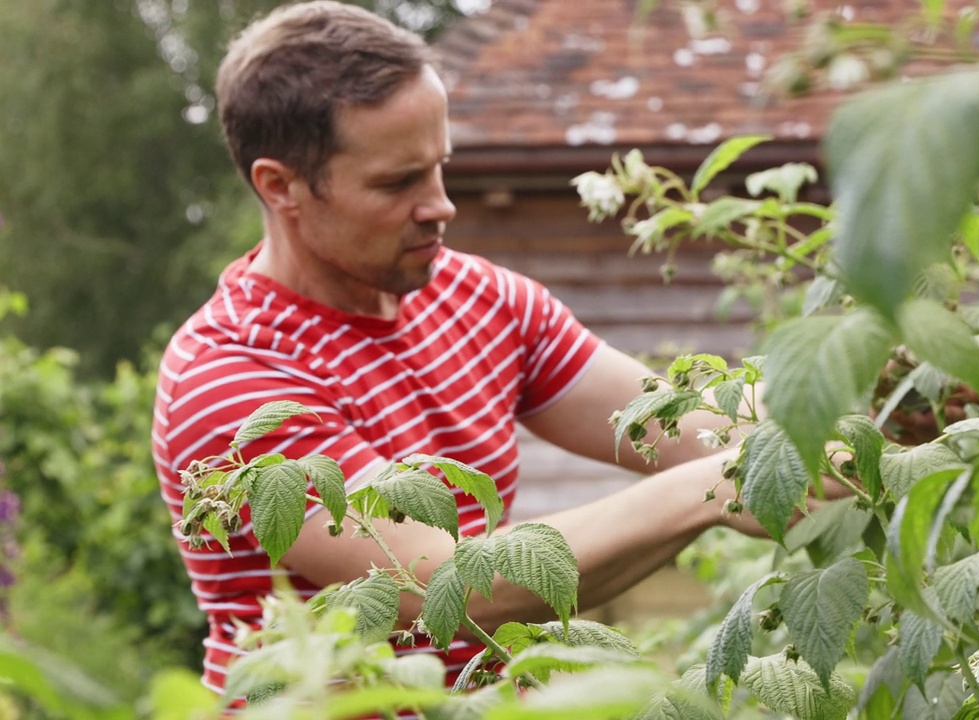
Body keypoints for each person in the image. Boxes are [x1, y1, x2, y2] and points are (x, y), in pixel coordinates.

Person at [152, 0, 839, 697]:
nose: (441, 205)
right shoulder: (232, 376)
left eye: (439, 166)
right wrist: (719, 484)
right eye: (398, 182)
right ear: (281, 186)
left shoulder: (479, 299)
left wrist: (841, 428)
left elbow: (675, 419)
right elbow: (446, 587)